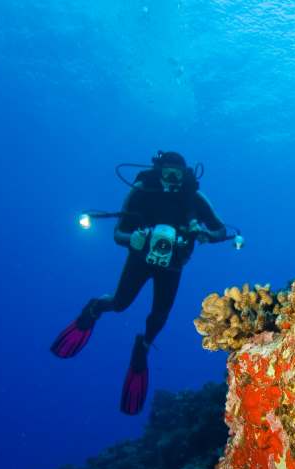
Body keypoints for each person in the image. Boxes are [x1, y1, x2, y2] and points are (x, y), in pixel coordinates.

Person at [50, 150, 232, 415]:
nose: (172, 179)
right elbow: (118, 233)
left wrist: (205, 234)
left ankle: (143, 346)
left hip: (173, 265)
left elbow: (221, 229)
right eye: (167, 172)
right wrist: (132, 239)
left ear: (185, 175)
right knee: (120, 303)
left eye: (177, 174)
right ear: (158, 171)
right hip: (140, 259)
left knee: (159, 316)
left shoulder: (193, 198)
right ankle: (94, 309)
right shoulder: (142, 191)